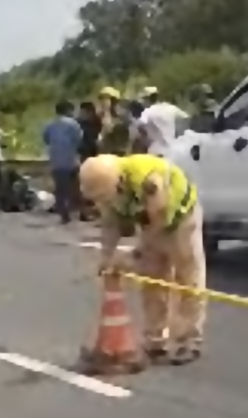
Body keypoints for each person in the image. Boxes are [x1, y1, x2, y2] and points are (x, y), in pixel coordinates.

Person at [80, 153, 206, 365]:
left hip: (181, 218)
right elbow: (111, 225)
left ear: (117, 183)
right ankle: (156, 339)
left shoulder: (148, 180)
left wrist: (136, 252)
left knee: (188, 277)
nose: (102, 202)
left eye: (104, 196)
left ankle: (189, 340)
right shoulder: (107, 187)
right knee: (152, 278)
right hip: (150, 223)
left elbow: (158, 219)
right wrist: (106, 257)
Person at [42, 101, 84, 224]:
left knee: (60, 190)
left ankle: (64, 214)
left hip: (57, 161)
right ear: (68, 110)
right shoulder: (74, 124)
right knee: (77, 187)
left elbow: (46, 139)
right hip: (72, 159)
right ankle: (81, 212)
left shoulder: (50, 125)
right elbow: (79, 139)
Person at [135, 86, 189, 157]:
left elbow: (139, 125)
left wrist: (145, 134)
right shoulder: (171, 108)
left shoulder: (148, 112)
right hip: (172, 150)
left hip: (155, 150)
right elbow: (186, 118)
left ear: (147, 99)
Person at [97, 86, 131, 156]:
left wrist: (107, 111)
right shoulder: (99, 115)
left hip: (118, 152)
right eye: (102, 99)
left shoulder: (123, 116)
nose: (103, 102)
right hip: (104, 153)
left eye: (106, 99)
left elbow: (109, 129)